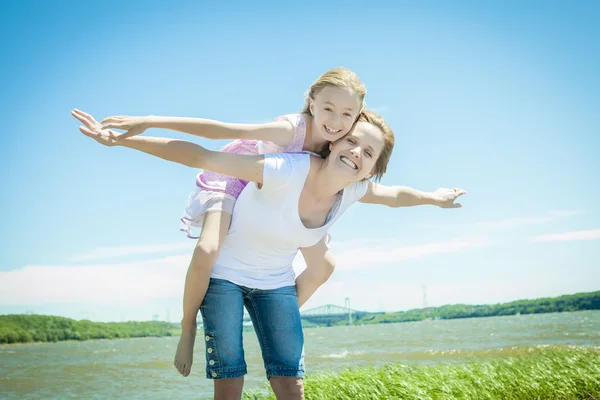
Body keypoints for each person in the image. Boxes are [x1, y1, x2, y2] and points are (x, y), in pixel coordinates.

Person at [91, 69, 465, 378]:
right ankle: (188, 325)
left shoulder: (345, 149)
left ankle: (270, 321)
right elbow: (217, 132)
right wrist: (144, 125)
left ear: (359, 114)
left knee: (326, 263)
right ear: (312, 102)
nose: (335, 123)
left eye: (346, 115)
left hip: (289, 196)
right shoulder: (292, 130)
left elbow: (392, 194)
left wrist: (433, 197)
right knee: (208, 249)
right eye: (328, 110)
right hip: (237, 177)